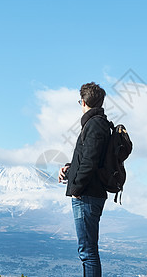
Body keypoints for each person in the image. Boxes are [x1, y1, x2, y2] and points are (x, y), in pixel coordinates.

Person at [58, 82, 111, 277]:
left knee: (87, 252)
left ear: (83, 102)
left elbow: (90, 161)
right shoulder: (97, 123)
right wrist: (70, 169)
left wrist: (76, 188)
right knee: (87, 251)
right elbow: (89, 159)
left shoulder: (95, 124)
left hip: (87, 195)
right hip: (89, 193)